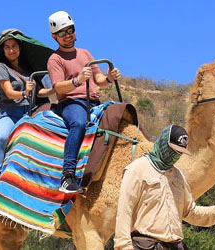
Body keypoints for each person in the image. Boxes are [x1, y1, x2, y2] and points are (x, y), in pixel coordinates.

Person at [114, 125, 215, 250]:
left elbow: (192, 213)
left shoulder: (178, 176)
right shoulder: (137, 169)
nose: (175, 155)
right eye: (173, 150)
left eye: (180, 152)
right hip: (145, 245)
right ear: (163, 142)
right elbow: (124, 211)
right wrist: (124, 246)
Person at [45, 10, 122, 193]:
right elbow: (58, 87)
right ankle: (67, 175)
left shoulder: (85, 53)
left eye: (70, 30)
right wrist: (77, 81)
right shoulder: (55, 59)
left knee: (121, 115)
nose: (68, 35)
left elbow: (99, 81)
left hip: (93, 100)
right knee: (79, 123)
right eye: (62, 33)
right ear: (55, 37)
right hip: (71, 102)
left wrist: (110, 78)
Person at [0, 29, 55, 185]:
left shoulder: (28, 69)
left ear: (20, 48)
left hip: (30, 112)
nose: (11, 50)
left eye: (14, 46)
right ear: (3, 50)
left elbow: (40, 91)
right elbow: (10, 93)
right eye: (7, 47)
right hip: (10, 113)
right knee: (2, 136)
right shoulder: (1, 68)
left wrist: (56, 88)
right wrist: (25, 93)